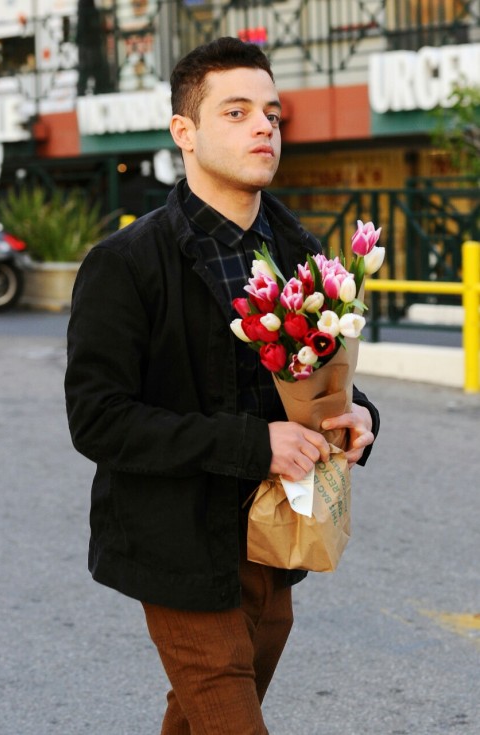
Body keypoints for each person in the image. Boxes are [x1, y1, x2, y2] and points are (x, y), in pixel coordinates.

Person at [65, 36, 380, 735]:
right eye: (236, 112)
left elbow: (320, 381)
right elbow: (98, 419)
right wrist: (253, 443)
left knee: (196, 722)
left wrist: (356, 415)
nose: (264, 125)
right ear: (185, 131)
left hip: (277, 540)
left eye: (271, 111)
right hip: (175, 547)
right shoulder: (125, 264)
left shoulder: (304, 255)